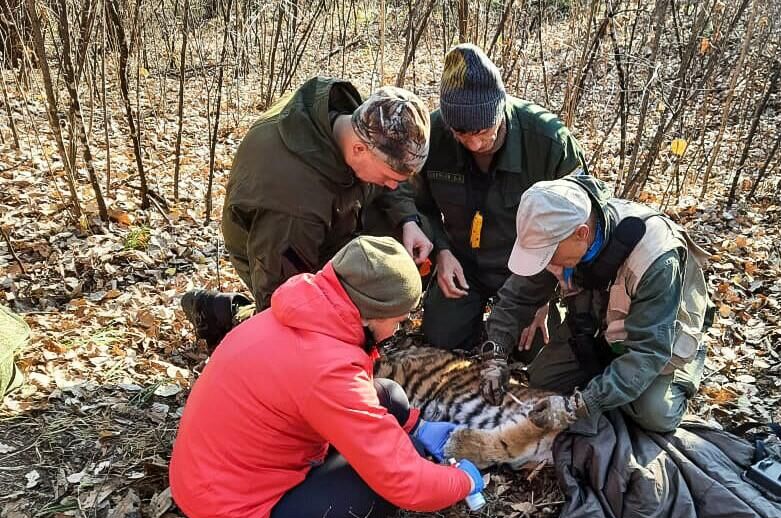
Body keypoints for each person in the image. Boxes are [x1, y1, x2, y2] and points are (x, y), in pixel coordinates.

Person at [169, 236, 484, 518]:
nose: (397, 329)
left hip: (209, 484)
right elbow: (404, 482)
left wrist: (413, 424)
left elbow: (345, 393)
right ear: (371, 315)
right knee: (393, 474)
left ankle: (411, 429)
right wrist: (461, 481)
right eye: (399, 319)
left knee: (389, 396)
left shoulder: (304, 310)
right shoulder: (326, 370)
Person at [182, 77, 434, 348]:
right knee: (306, 325)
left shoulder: (359, 124)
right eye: (388, 177)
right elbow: (280, 296)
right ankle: (224, 314)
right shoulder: (291, 201)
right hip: (272, 245)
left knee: (411, 242)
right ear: (359, 149)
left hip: (336, 216)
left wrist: (408, 220)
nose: (393, 186)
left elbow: (390, 186)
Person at [478, 174, 711, 434]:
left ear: (582, 233)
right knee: (543, 382)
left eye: (549, 256)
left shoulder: (655, 259)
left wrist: (579, 405)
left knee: (655, 414)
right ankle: (608, 375)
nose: (546, 265)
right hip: (597, 323)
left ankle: (687, 367)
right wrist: (495, 355)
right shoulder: (556, 235)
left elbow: (648, 352)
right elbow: (516, 297)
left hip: (658, 336)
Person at [414, 43, 588, 353]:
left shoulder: (549, 142)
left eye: (484, 130)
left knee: (536, 348)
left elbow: (580, 224)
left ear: (500, 111)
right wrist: (440, 251)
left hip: (527, 271)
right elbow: (418, 205)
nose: (474, 143)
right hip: (462, 263)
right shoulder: (435, 135)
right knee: (441, 338)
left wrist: (545, 295)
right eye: (461, 134)